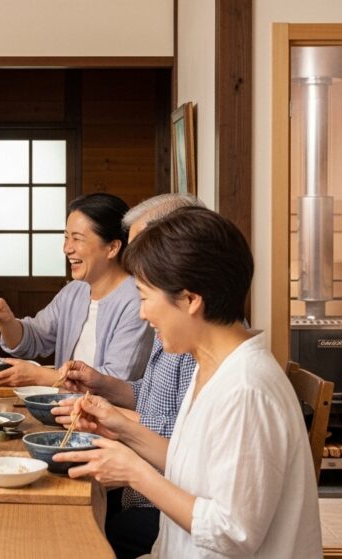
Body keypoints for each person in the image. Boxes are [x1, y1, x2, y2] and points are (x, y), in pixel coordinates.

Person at [55, 206, 322, 558]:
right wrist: (120, 427)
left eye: (145, 297)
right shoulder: (211, 366)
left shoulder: (246, 390)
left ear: (191, 300)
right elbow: (190, 467)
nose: (142, 313)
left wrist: (135, 473)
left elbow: (232, 532)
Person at [55, 193, 203, 558]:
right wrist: (101, 386)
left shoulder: (199, 341)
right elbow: (149, 396)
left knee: (69, 531)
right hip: (146, 492)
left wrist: (117, 423)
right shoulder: (172, 322)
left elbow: (189, 447)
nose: (133, 264)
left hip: (160, 502)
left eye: (143, 250)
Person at [0, 193, 153, 387]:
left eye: (77, 239)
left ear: (112, 247)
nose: (66, 248)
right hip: (64, 405)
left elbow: (117, 382)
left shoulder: (138, 301)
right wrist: (7, 321)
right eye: (66, 237)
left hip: (103, 408)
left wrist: (41, 376)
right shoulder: (74, 292)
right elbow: (35, 338)